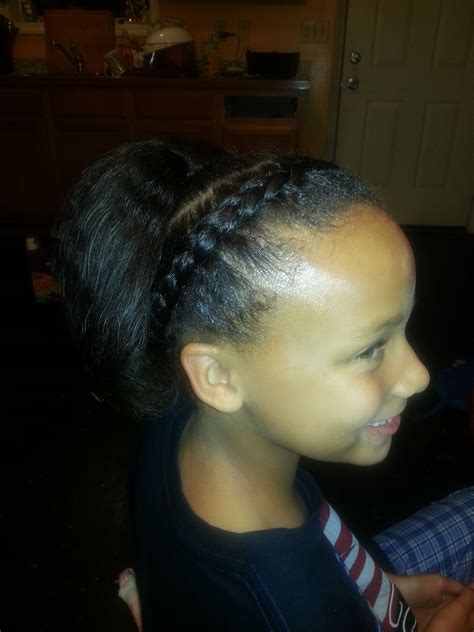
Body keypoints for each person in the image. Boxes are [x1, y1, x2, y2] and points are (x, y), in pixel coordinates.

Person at [56, 139, 474, 631]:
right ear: (218, 376)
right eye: (369, 349)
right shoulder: (294, 608)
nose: (419, 375)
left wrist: (383, 586)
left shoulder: (179, 412)